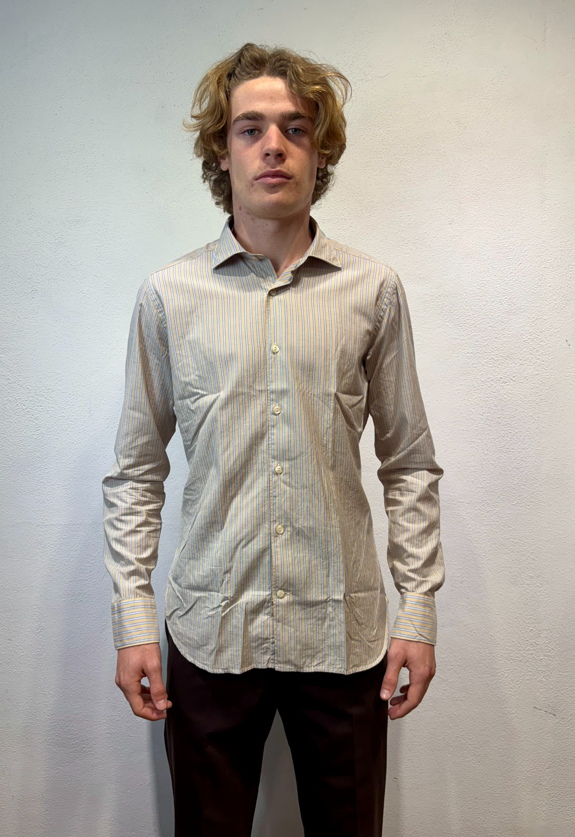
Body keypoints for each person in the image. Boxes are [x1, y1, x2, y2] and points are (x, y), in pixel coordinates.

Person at [103, 42, 445, 837]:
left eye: (295, 128)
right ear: (220, 152)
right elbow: (136, 473)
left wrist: (417, 613)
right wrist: (134, 620)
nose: (273, 145)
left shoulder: (373, 291)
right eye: (249, 128)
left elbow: (408, 463)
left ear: (319, 151)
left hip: (343, 635)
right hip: (209, 632)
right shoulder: (168, 297)